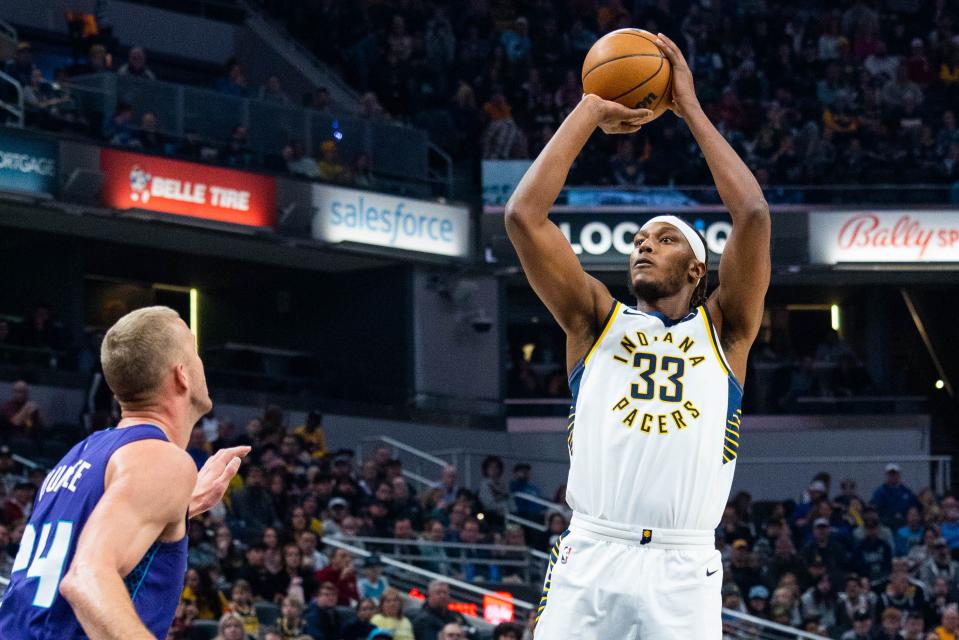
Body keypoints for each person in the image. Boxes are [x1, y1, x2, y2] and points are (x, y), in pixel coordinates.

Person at [506, 33, 770, 639]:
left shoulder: (726, 331)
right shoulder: (596, 320)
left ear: (699, 269)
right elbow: (524, 216)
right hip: (592, 554)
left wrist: (689, 108)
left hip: (683, 566)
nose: (645, 244)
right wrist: (590, 109)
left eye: (665, 237)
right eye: (640, 239)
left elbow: (752, 214)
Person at [0, 306, 249, 638]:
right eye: (196, 353)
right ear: (182, 375)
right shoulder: (161, 461)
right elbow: (86, 577)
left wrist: (179, 506)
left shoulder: (81, 455)